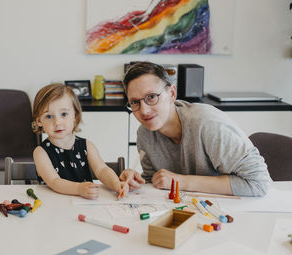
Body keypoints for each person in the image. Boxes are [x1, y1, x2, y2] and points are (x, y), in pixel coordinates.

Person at [119, 61, 271, 197]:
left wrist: (183, 182)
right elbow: (157, 182)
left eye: (151, 97)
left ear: (172, 93)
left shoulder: (206, 124)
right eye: (134, 102)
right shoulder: (145, 133)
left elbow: (259, 183)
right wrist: (137, 180)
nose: (144, 110)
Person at [32, 83, 129, 199]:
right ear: (39, 121)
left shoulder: (87, 146)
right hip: (54, 204)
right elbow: (54, 181)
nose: (57, 122)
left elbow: (102, 170)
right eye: (49, 116)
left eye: (64, 114)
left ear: (75, 116)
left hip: (84, 203)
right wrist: (79, 189)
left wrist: (116, 184)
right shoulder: (40, 152)